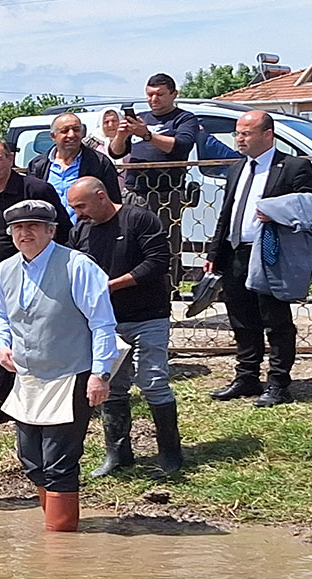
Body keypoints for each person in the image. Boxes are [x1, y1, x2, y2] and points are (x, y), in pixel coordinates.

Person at [0, 200, 118, 532]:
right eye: (18, 228)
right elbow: (1, 317)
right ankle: (53, 526)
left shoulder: (78, 266)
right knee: (31, 460)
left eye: (33, 226)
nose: (25, 232)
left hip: (70, 374)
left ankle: (60, 539)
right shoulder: (5, 269)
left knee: (59, 461)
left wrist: (100, 374)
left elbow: (102, 324)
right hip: (28, 379)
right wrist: (0, 344)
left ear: (51, 231)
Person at [205, 110, 312, 408]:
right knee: (241, 319)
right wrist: (214, 253)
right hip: (235, 252)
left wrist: (276, 208)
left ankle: (279, 383)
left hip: (270, 254)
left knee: (275, 319)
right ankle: (247, 377)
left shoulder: (293, 166)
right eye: (237, 133)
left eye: (246, 133)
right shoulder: (236, 168)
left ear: (267, 134)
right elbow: (227, 213)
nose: (239, 139)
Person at [67, 178, 182, 476]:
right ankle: (118, 454)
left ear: (101, 196)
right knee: (112, 387)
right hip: (106, 322)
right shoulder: (81, 230)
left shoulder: (139, 218)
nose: (78, 213)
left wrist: (112, 286)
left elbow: (157, 261)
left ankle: (170, 455)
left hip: (148, 315)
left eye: (81, 206)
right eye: (74, 208)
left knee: (153, 381)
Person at [0, 139, 73, 426]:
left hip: (39, 275)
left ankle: (44, 397)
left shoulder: (37, 189)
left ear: (10, 159)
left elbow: (62, 229)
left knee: (39, 335)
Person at [109, 73, 200, 284]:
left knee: (163, 244)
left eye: (160, 94)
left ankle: (167, 289)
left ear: (174, 94)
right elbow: (116, 153)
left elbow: (181, 147)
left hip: (165, 195)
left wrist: (147, 135)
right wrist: (122, 135)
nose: (154, 99)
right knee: (130, 243)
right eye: (150, 95)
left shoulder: (184, 118)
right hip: (134, 192)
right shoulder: (142, 118)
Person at [27, 113, 121, 223]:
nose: (71, 135)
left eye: (76, 129)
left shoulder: (100, 163)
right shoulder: (37, 165)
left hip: (88, 233)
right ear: (53, 136)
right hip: (50, 235)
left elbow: (113, 203)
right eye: (65, 130)